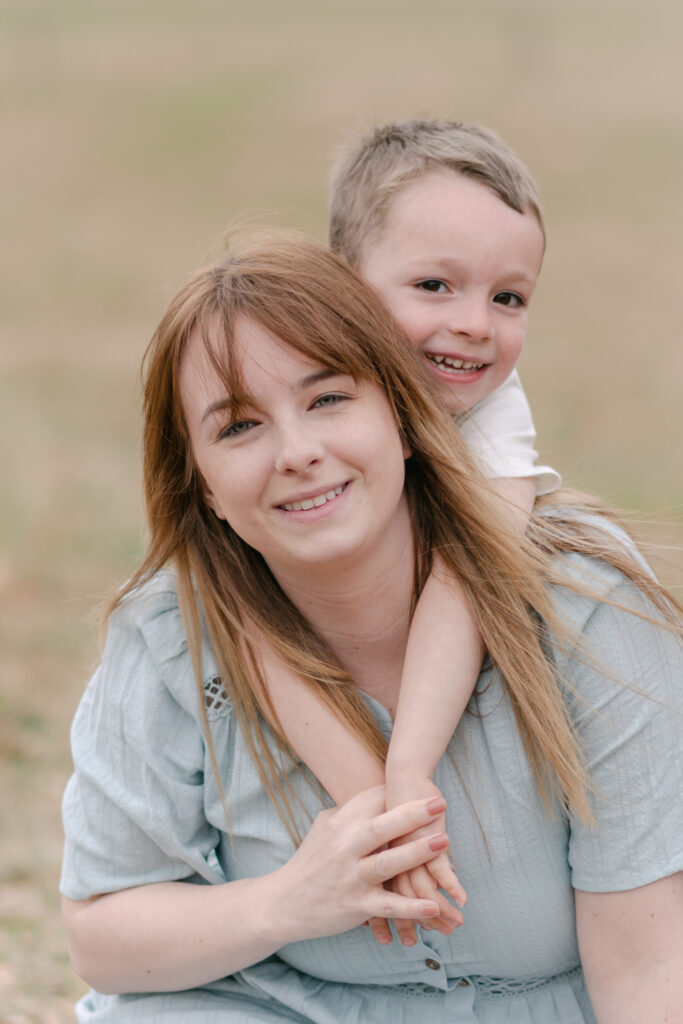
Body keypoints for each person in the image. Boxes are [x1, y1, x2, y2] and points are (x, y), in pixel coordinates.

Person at [60, 230, 683, 1023]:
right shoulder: (167, 636)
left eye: (327, 399)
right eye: (239, 427)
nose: (297, 453)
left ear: (402, 413)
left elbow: (649, 968)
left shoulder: (579, 601)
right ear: (205, 486)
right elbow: (100, 938)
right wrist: (289, 901)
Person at [247, 120, 560, 936]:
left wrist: (410, 767)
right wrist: (378, 806)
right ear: (342, 286)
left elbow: (472, 582)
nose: (473, 325)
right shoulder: (287, 387)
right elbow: (238, 605)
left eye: (507, 298)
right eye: (433, 286)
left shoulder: (491, 409)